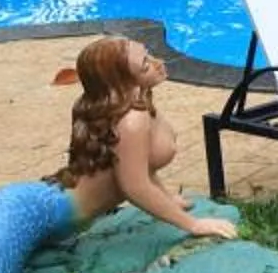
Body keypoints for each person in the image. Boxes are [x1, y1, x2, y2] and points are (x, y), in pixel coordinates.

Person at [53, 35, 237, 239]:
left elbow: (143, 165)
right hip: (46, 215)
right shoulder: (131, 121)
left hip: (56, 208)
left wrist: (166, 199)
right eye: (145, 65)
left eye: (148, 55)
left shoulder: (134, 105)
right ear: (123, 82)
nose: (159, 62)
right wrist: (193, 225)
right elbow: (135, 187)